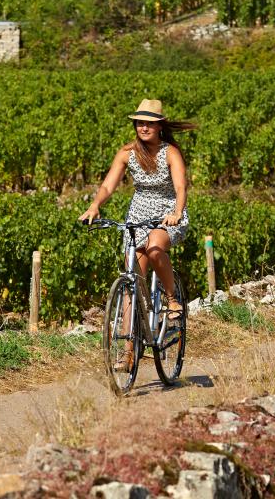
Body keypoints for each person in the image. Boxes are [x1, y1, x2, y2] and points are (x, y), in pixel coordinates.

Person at [79, 99, 195, 366]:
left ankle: (172, 299)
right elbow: (108, 185)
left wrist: (177, 212)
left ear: (159, 126)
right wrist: (95, 206)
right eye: (140, 123)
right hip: (138, 213)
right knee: (132, 280)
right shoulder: (127, 152)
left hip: (169, 211)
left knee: (155, 247)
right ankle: (129, 353)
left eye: (149, 123)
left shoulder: (170, 153)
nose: (144, 127)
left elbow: (180, 187)